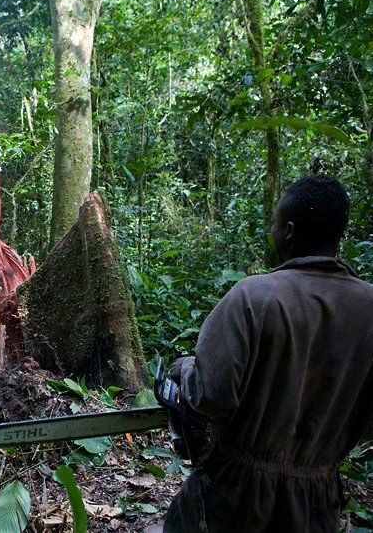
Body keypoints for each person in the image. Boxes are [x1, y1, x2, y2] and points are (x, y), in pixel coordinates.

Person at [159, 175, 373, 532]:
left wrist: (185, 369)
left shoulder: (253, 297)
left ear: (289, 230)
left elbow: (212, 395)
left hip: (234, 492)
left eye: (274, 224)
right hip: (317, 499)